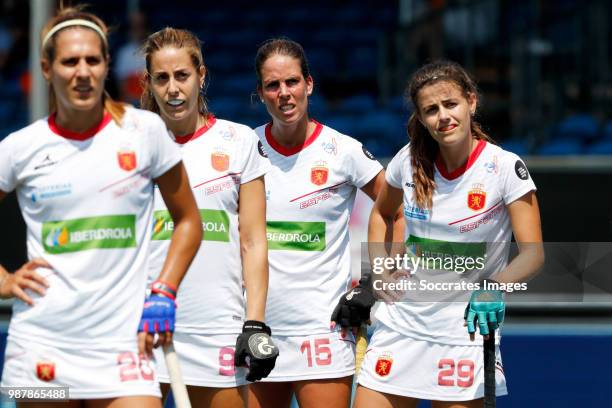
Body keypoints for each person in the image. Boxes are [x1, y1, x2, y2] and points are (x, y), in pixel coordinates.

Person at [0, 7, 202, 407]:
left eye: (93, 60)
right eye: (69, 61)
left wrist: (164, 291)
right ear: (46, 68)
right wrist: (2, 281)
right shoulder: (19, 147)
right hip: (39, 345)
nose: (82, 71)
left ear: (107, 64)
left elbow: (188, 220)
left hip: (125, 346)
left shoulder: (144, 132)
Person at [354, 60, 544, 408]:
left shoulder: (505, 168)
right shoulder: (408, 160)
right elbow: (382, 213)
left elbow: (533, 254)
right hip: (401, 324)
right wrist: (379, 270)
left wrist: (494, 286)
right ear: (422, 118)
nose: (443, 116)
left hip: (464, 331)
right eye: (431, 110)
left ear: (471, 102)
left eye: (450, 104)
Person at [250, 37, 398, 408]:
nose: (284, 93)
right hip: (257, 326)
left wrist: (374, 282)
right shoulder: (244, 150)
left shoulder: (343, 151)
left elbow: (396, 212)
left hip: (324, 329)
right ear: (261, 93)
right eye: (273, 85)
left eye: (292, 82)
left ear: (309, 84)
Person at [140, 27, 278, 408]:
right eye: (162, 78)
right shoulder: (130, 144)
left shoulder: (238, 141)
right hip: (143, 324)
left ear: (201, 76)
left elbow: (252, 241)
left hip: (216, 326)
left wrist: (254, 323)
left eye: (182, 76)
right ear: (149, 83)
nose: (173, 89)